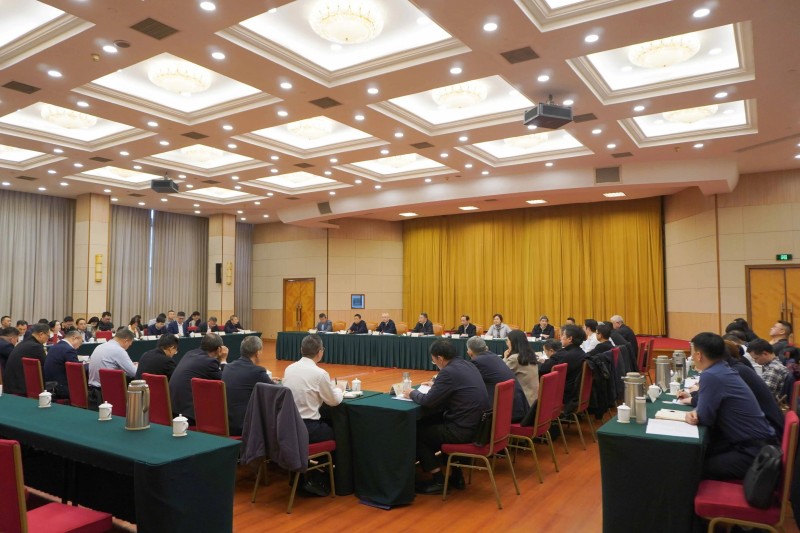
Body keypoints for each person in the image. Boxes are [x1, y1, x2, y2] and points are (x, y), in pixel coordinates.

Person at [684, 332, 776, 480]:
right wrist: (697, 411)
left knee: (689, 466)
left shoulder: (711, 375)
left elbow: (706, 418)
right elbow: (706, 409)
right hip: (759, 444)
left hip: (752, 454)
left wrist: (694, 415)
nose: (692, 357)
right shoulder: (723, 368)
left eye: (692, 353)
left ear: (699, 355)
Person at [403, 340, 488, 494]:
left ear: (440, 358)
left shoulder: (448, 372)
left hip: (463, 430)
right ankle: (457, 475)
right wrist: (437, 386)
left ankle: (438, 480)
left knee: (418, 433)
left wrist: (412, 393)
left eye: (434, 361)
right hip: (479, 427)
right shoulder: (467, 364)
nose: (435, 364)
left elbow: (428, 401)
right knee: (434, 422)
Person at [282, 334, 344, 443]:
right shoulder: (320, 373)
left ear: (301, 350)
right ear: (320, 352)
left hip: (288, 425)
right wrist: (339, 389)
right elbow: (333, 401)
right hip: (308, 428)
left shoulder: (289, 369)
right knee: (340, 431)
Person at [169, 334, 229, 423]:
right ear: (219, 349)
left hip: (172, 408)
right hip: (188, 414)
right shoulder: (209, 362)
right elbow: (226, 379)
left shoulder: (189, 353)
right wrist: (223, 360)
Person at [467, 336, 527, 423]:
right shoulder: (494, 356)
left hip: (507, 415)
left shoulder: (477, 362)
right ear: (486, 348)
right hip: (519, 408)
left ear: (469, 352)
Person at [222, 336, 273, 436]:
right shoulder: (257, 371)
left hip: (227, 423)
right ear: (257, 353)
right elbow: (275, 391)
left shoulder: (228, 367)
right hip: (245, 425)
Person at [540, 324, 587, 413]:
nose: (560, 337)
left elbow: (554, 374)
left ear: (570, 339)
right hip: (576, 392)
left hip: (566, 394)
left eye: (562, 335)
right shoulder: (580, 352)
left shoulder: (568, 356)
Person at [3, 323, 49, 395]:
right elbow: (46, 368)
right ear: (41, 334)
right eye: (48, 336)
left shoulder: (24, 342)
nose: (48, 339)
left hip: (10, 385)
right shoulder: (36, 346)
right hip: (21, 388)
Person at [43, 329, 83, 399]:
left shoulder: (53, 347)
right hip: (61, 388)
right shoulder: (69, 350)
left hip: (49, 385)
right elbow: (76, 371)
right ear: (75, 338)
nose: (79, 346)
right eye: (80, 342)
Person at [504, 329, 539, 408]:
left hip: (524, 403)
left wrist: (505, 357)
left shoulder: (515, 358)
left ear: (513, 342)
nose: (507, 343)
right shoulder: (530, 355)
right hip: (533, 399)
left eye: (507, 341)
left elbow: (502, 373)